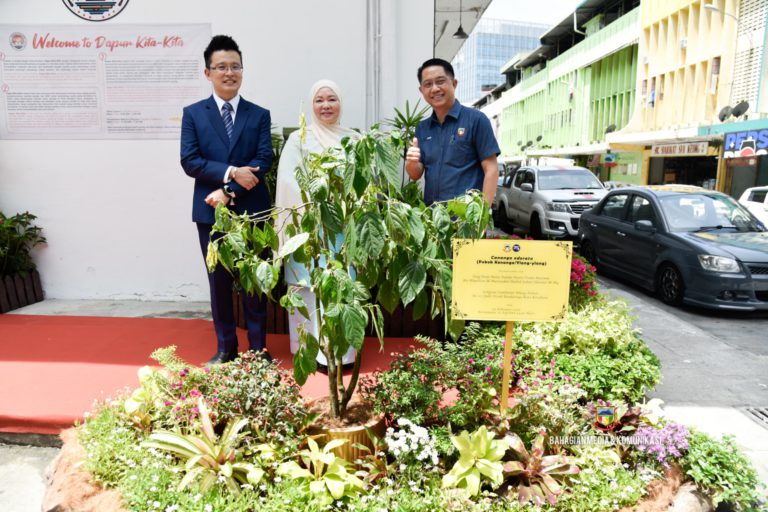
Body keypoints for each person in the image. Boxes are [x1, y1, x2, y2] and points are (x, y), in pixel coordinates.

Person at [180, 35, 273, 365]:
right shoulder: (193, 114)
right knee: (218, 283)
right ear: (208, 73)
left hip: (253, 212)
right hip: (210, 212)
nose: (229, 72)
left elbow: (263, 160)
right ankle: (226, 348)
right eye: (221, 67)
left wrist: (229, 190)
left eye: (235, 66)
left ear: (242, 71)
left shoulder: (259, 114)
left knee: (254, 282)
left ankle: (258, 349)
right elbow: (190, 161)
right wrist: (232, 172)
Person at [274, 79, 356, 371]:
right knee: (306, 286)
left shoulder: (352, 139)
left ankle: (342, 356)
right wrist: (317, 198)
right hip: (306, 224)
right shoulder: (299, 139)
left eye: (331, 99)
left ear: (340, 103)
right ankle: (310, 353)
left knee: (340, 286)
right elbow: (287, 179)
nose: (326, 106)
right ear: (311, 105)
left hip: (342, 226)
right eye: (319, 100)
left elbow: (361, 180)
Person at [405, 58, 500, 206]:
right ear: (421, 90)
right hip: (433, 219)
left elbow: (492, 169)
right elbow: (416, 174)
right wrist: (411, 162)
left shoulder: (476, 120)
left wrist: (482, 217)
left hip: (466, 221)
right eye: (428, 84)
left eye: (440, 81)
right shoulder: (422, 128)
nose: (435, 88)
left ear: (454, 84)